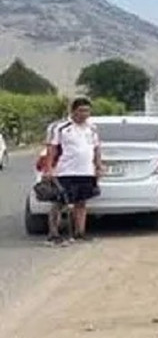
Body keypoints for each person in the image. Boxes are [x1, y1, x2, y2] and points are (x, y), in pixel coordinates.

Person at [42, 97, 103, 245]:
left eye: (87, 111)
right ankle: (54, 234)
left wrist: (98, 166)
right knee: (59, 203)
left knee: (81, 203)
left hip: (85, 171)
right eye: (81, 110)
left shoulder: (92, 128)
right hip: (65, 171)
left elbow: (96, 148)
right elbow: (52, 148)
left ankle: (79, 232)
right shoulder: (60, 127)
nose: (84, 114)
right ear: (73, 111)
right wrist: (49, 169)